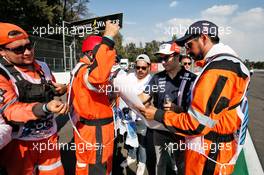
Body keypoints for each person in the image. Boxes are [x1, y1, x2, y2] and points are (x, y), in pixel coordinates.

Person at [138, 20, 250, 175]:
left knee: (179, 164)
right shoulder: (223, 63)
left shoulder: (218, 69)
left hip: (208, 153)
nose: (188, 51)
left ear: (203, 38)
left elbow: (197, 124)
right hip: (208, 147)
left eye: (189, 45)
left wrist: (157, 114)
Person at [0, 22, 68, 175]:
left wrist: (62, 89)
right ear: (2, 51)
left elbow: (51, 87)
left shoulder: (43, 66)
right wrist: (44, 107)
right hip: (19, 145)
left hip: (49, 139)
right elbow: (10, 110)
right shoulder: (3, 74)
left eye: (29, 45)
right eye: (19, 49)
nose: (27, 52)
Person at [69, 21, 120, 175]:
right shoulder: (86, 71)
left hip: (87, 129)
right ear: (92, 54)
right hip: (96, 131)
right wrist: (109, 38)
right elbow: (96, 78)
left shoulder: (79, 69)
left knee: (86, 165)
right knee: (98, 167)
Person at [139, 42, 197, 175]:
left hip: (181, 129)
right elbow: (144, 96)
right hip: (160, 128)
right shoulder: (157, 77)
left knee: (182, 164)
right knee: (160, 163)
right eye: (161, 59)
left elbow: (197, 112)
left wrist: (178, 109)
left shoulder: (191, 79)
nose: (163, 62)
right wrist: (128, 97)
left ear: (177, 57)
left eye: (166, 58)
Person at [120, 54, 152, 175]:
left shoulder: (151, 80)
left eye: (143, 68)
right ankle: (131, 157)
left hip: (142, 117)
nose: (140, 70)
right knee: (131, 138)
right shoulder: (129, 77)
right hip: (128, 116)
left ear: (149, 67)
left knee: (142, 142)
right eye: (138, 67)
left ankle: (142, 163)